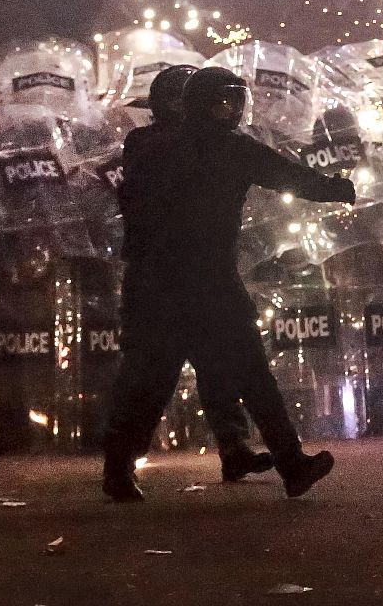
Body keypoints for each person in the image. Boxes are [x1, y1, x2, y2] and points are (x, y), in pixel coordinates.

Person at [102, 66, 354, 502]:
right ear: (198, 103)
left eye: (237, 100)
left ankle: (122, 470)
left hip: (168, 283)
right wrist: (336, 188)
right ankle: (286, 464)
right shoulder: (223, 147)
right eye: (223, 100)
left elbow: (282, 173)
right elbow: (288, 175)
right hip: (194, 284)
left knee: (177, 379)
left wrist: (329, 188)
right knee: (188, 379)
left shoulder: (149, 144)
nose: (233, 110)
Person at [112, 64, 268, 483]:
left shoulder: (196, 143)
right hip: (158, 284)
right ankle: (119, 466)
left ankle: (235, 449)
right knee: (151, 378)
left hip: (194, 280)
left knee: (218, 367)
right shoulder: (148, 142)